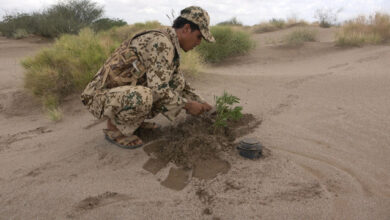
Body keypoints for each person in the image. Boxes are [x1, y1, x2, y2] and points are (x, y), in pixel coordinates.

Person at [81, 6, 215, 149]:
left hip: (117, 94)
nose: (199, 42)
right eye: (199, 36)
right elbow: (159, 90)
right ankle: (114, 128)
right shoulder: (161, 43)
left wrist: (202, 104)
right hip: (97, 97)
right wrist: (187, 105)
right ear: (187, 28)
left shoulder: (169, 42)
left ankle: (133, 122)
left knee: (177, 83)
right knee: (145, 96)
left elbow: (178, 82)